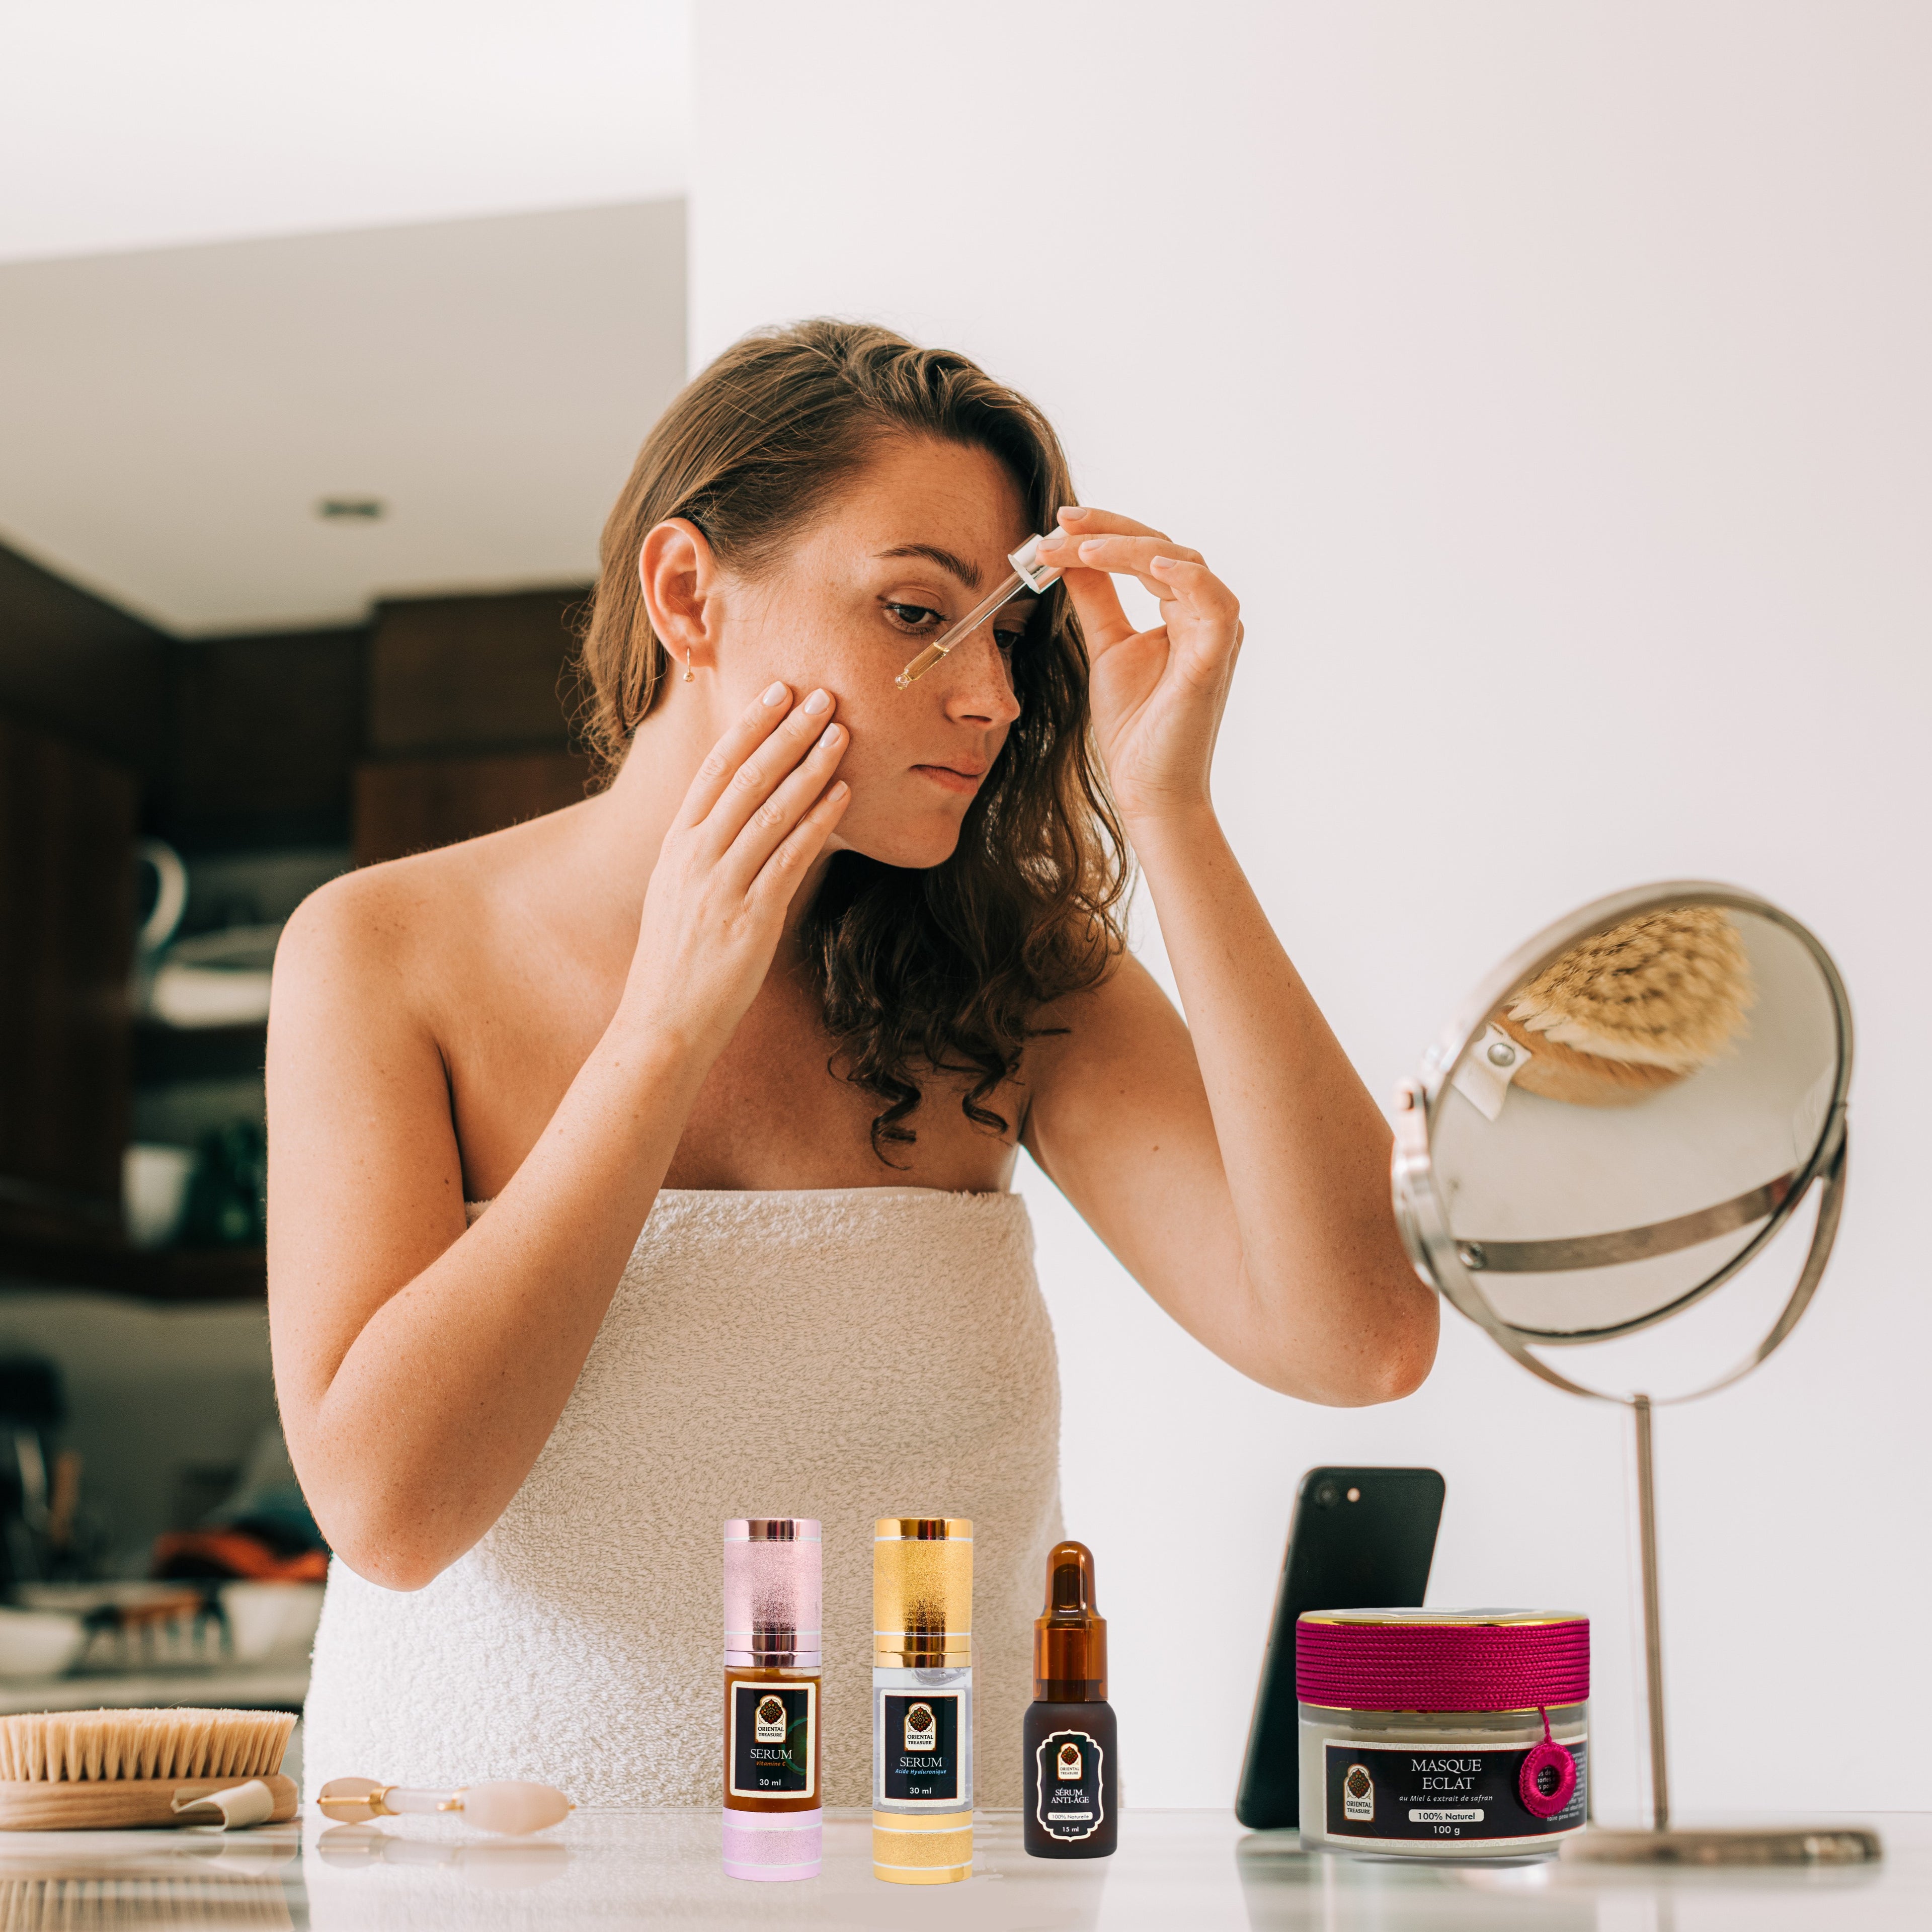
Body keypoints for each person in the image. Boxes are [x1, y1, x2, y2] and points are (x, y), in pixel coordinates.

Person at [269, 320, 1437, 1807]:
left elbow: (1363, 1339)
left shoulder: (1014, 974)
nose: (995, 701)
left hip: (941, 1883)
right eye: (911, 614)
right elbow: (391, 1511)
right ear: (690, 594)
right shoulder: (385, 951)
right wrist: (662, 1032)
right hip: (490, 1873)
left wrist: (1173, 819)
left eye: (1008, 634)